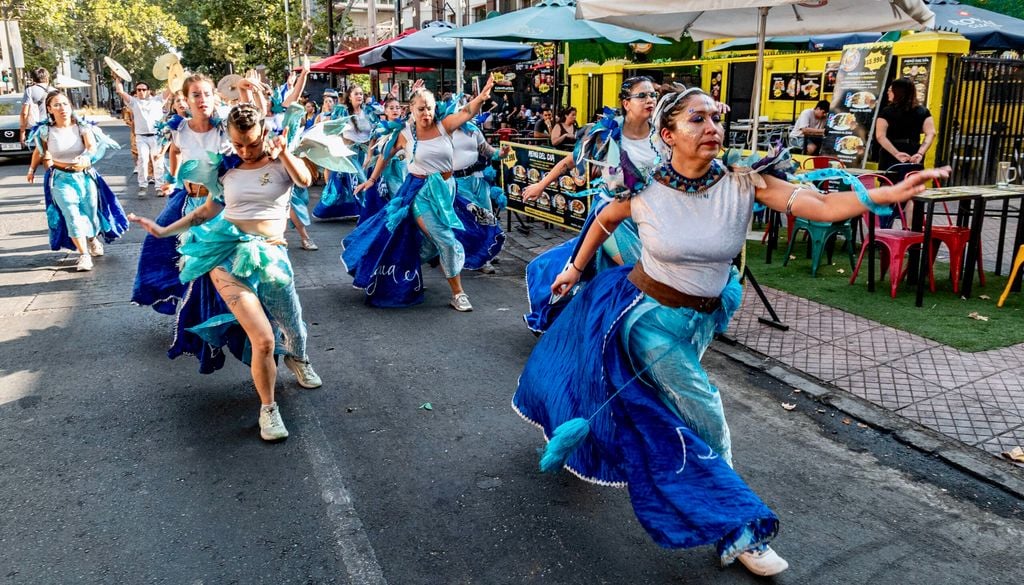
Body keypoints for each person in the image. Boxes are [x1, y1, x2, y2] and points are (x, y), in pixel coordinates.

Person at [513, 86, 950, 578]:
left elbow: (821, 206)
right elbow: (605, 218)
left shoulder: (747, 184)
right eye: (697, 119)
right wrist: (575, 267)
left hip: (705, 317)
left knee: (651, 406)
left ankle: (604, 438)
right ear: (669, 134)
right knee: (703, 409)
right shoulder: (645, 190)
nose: (712, 127)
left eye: (716, 118)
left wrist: (885, 194)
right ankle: (737, 526)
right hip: (646, 319)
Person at [128, 103, 322, 442]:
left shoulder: (281, 161)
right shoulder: (225, 169)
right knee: (262, 340)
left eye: (251, 143)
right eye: (238, 144)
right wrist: (163, 230)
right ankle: (268, 409)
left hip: (272, 257)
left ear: (263, 132)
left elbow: (306, 179)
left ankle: (299, 357)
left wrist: (284, 153)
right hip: (226, 254)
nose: (245, 151)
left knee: (293, 326)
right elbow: (206, 211)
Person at [521, 76, 663, 333]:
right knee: (637, 274)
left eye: (653, 94)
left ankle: (599, 329)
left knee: (604, 280)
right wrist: (541, 185)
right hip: (610, 216)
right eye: (642, 95)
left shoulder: (663, 136)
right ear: (626, 103)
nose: (650, 100)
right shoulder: (607, 133)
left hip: (646, 220)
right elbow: (570, 161)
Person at [344, 76, 497, 311]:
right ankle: (458, 293)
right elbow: (385, 155)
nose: (426, 112)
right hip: (420, 193)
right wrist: (371, 180)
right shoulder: (405, 133)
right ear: (412, 110)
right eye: (421, 108)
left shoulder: (445, 125)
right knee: (446, 239)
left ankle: (406, 272)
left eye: (430, 107)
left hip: (447, 190)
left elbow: (467, 112)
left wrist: (482, 96)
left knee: (430, 241)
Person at [131, 73, 229, 314]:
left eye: (207, 94)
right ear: (186, 99)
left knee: (218, 261)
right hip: (186, 199)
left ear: (214, 97)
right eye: (196, 94)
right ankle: (189, 306)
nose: (202, 99)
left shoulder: (226, 128)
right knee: (160, 243)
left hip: (219, 204)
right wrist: (172, 179)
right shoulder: (179, 128)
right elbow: (174, 151)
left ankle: (223, 312)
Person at [25, 91, 128, 271]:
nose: (62, 108)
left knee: (90, 213)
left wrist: (85, 157)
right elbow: (39, 151)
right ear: (49, 109)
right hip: (60, 178)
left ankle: (92, 238)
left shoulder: (81, 126)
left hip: (85, 177)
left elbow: (91, 147)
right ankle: (84, 255)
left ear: (70, 106)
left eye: (65, 104)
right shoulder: (45, 130)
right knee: (71, 214)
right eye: (56, 104)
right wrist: (32, 169)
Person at [313, 83, 373, 219]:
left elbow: (375, 130)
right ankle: (367, 212)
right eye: (356, 93)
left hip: (366, 152)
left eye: (361, 94)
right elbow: (333, 128)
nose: (359, 96)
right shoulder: (342, 111)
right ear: (349, 97)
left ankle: (362, 210)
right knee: (361, 179)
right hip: (349, 153)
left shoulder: (368, 111)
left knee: (366, 180)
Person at [114, 78, 169, 197]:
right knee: (143, 161)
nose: (141, 92)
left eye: (144, 89)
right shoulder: (134, 102)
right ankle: (143, 186)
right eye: (138, 90)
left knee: (157, 162)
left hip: (156, 136)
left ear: (149, 91)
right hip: (141, 138)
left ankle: (159, 187)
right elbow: (120, 91)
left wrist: (174, 71)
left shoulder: (158, 100)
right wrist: (117, 78)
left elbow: (170, 88)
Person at [875, 78, 935, 171]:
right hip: (914, 151)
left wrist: (896, 153)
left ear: (898, 92)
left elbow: (880, 136)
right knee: (912, 182)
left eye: (890, 90)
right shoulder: (923, 111)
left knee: (888, 181)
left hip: (890, 151)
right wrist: (920, 153)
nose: (888, 93)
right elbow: (931, 133)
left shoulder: (886, 111)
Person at [19, 68, 56, 146]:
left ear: (33, 79)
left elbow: (24, 113)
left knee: (40, 152)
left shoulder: (30, 90)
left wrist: (22, 132)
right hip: (54, 125)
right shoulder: (55, 91)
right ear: (47, 78)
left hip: (38, 127)